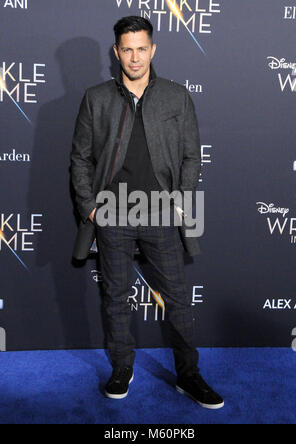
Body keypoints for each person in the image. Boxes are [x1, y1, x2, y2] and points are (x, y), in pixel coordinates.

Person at [71, 16, 224, 409]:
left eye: (142, 48)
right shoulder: (96, 98)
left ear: (153, 50)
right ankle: (122, 367)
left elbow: (192, 156)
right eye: (127, 49)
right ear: (116, 52)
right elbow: (80, 159)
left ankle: (189, 375)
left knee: (177, 299)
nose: (135, 57)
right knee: (115, 298)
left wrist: (180, 200)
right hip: (112, 215)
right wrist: (90, 208)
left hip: (160, 215)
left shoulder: (177, 96)